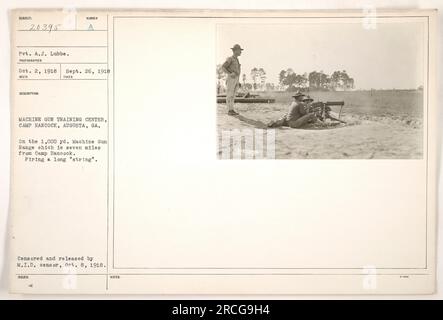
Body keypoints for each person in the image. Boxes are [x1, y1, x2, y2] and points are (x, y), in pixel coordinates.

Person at [222, 44, 243, 116]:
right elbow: (223, 67)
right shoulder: (230, 58)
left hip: (236, 79)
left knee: (233, 95)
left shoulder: (236, 59)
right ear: (235, 50)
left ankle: (232, 110)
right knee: (229, 94)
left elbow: (237, 71)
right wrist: (230, 73)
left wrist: (238, 81)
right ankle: (229, 110)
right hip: (231, 78)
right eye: (239, 50)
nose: (241, 52)